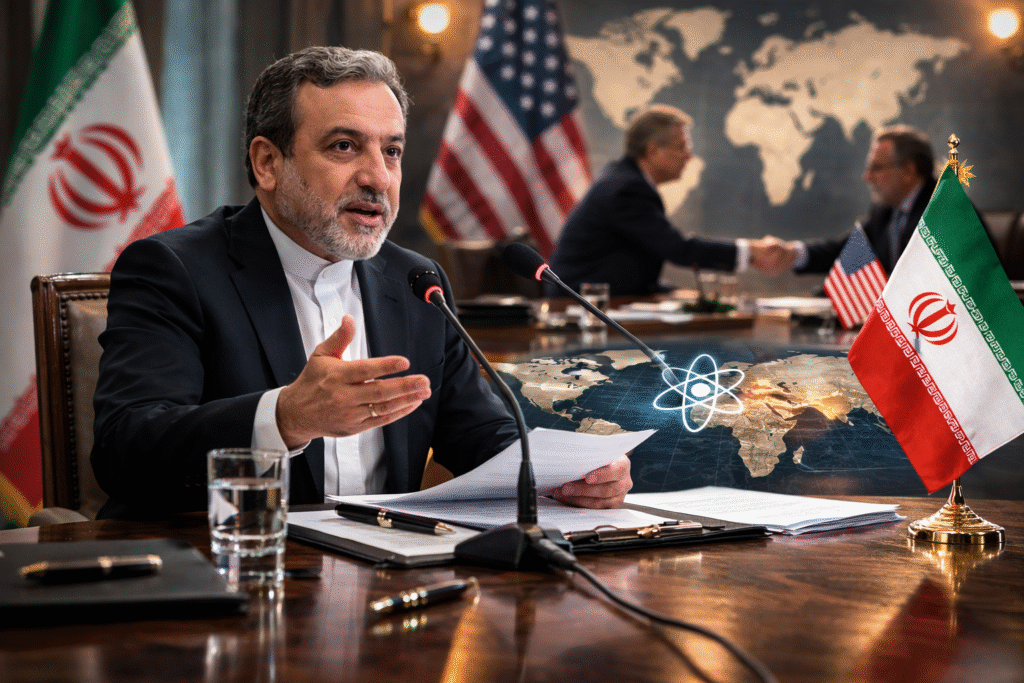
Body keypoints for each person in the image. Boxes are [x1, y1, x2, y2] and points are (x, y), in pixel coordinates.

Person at [91, 46, 630, 519]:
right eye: (345, 147)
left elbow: (479, 434)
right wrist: (285, 418)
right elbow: (125, 450)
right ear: (268, 163)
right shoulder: (174, 269)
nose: (378, 178)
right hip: (229, 569)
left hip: (389, 573)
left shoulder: (415, 281)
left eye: (391, 151)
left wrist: (566, 473)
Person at [548, 104, 790, 297]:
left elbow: (630, 267)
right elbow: (678, 249)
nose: (689, 155)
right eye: (681, 146)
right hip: (579, 311)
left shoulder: (625, 179)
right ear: (653, 151)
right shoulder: (627, 189)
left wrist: (672, 293)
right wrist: (750, 251)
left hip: (604, 303)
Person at [787, 125, 938, 276]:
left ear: (908, 172)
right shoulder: (885, 210)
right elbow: (849, 251)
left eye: (877, 168)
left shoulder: (941, 212)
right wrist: (793, 253)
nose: (867, 177)